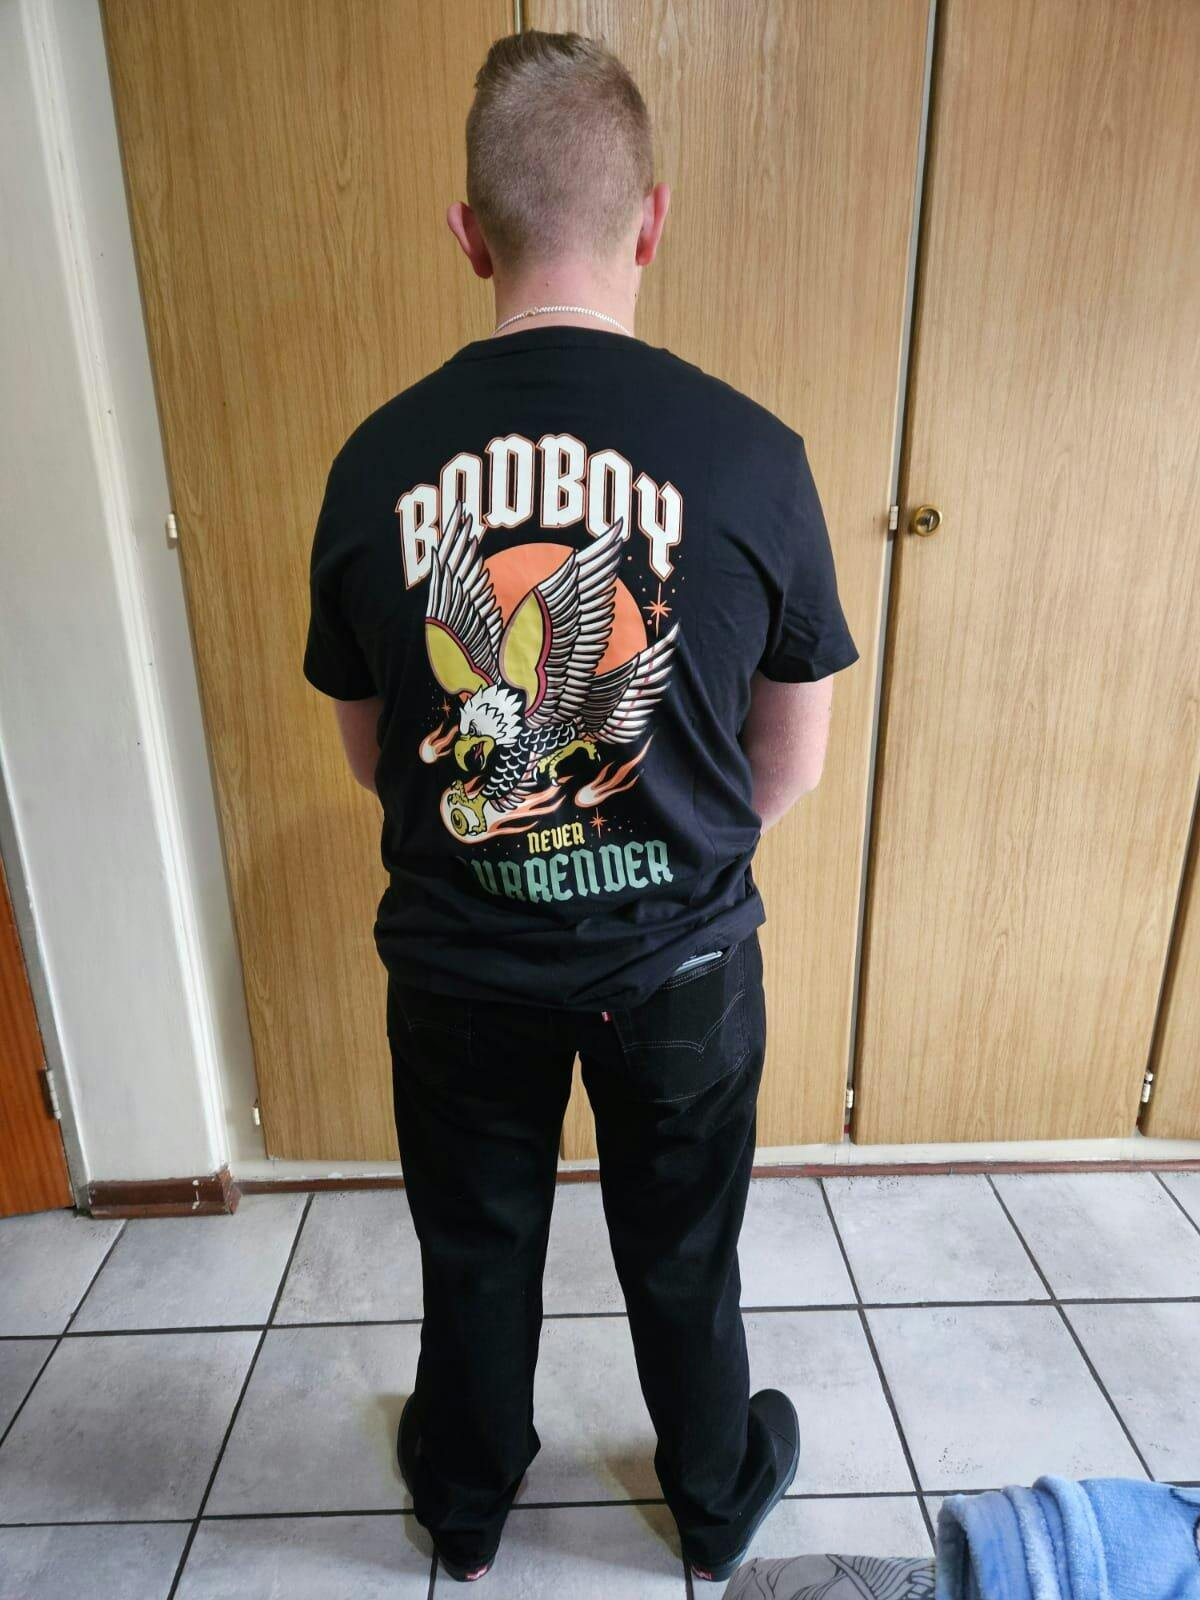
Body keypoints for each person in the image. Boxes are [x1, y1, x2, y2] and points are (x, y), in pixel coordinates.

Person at [303, 29, 858, 1585]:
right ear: (651, 220)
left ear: (467, 234)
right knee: (684, 1253)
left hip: (459, 965)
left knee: (476, 1246)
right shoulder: (755, 458)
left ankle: (466, 1502)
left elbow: (372, 755)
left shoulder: (372, 467)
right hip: (680, 963)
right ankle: (714, 1498)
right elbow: (791, 762)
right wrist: (651, 853)